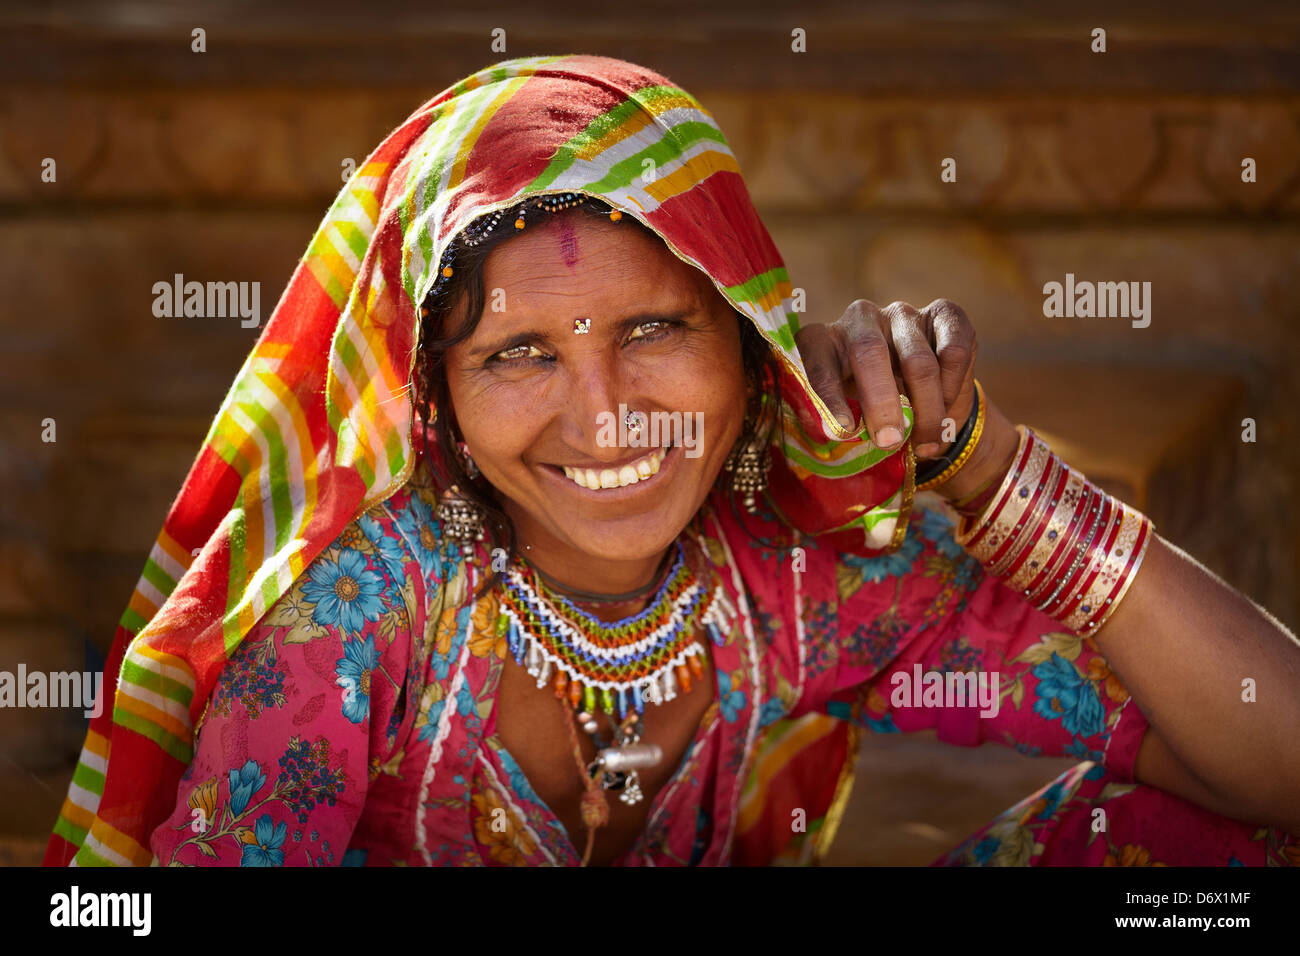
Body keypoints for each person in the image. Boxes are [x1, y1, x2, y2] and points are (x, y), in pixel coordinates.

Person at [45, 54, 1299, 868]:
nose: (604, 418)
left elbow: (1269, 762)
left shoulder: (793, 574)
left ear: (751, 342)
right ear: (436, 402)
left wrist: (977, 460)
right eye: (517, 353)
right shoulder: (368, 610)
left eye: (653, 328)